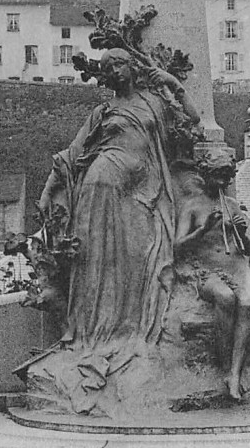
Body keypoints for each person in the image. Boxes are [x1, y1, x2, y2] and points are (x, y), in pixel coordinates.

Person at [37, 48, 200, 409]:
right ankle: (96, 331)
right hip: (100, 186)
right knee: (99, 261)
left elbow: (193, 120)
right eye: (110, 66)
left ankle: (128, 329)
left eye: (121, 63)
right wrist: (48, 194)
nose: (115, 70)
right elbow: (70, 153)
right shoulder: (102, 112)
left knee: (140, 258)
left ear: (132, 69)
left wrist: (172, 82)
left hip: (143, 191)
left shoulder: (154, 102)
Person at [172, 149, 250, 401]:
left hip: (237, 266)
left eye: (225, 177)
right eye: (216, 177)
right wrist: (204, 229)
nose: (221, 183)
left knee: (248, 302)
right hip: (207, 268)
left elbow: (248, 249)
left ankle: (235, 374)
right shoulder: (193, 206)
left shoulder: (231, 206)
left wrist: (241, 232)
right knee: (226, 298)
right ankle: (223, 365)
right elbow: (176, 247)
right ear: (205, 175)